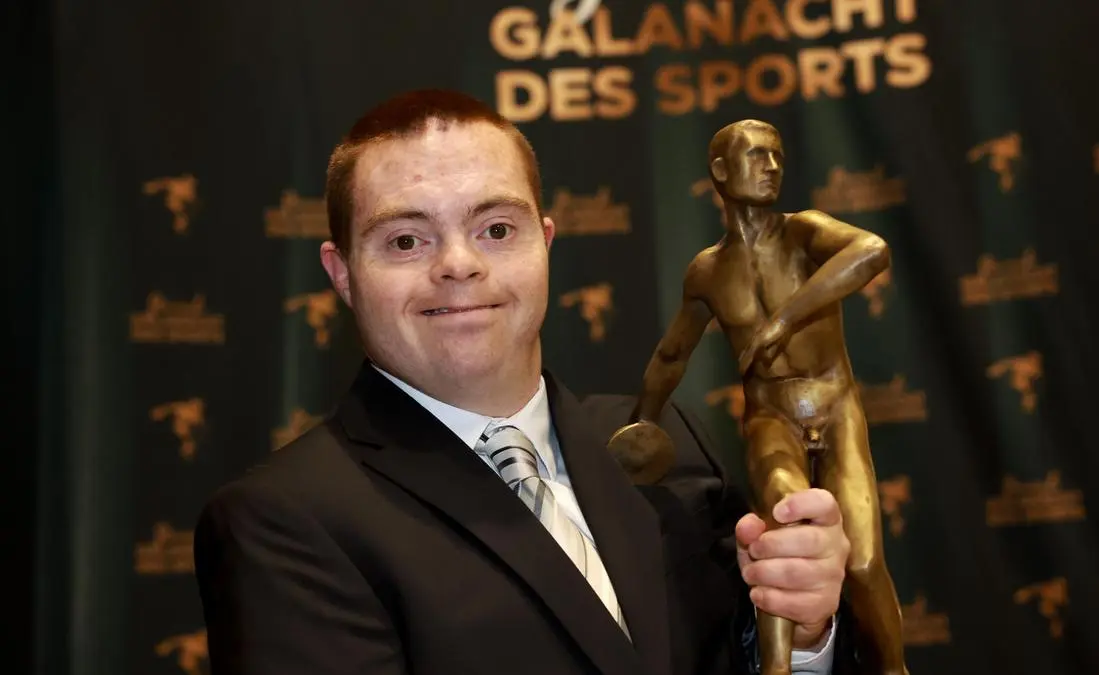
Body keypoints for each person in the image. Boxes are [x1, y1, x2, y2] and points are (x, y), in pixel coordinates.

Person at [193, 89, 858, 675]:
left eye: (496, 229)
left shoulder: (662, 443)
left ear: (544, 243)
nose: (459, 264)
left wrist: (804, 639)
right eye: (405, 241)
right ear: (342, 275)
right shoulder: (282, 522)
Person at [624, 120, 906, 675]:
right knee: (782, 532)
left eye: (777, 155)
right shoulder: (708, 271)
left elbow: (872, 250)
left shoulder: (803, 233)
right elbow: (672, 355)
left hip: (836, 407)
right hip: (770, 417)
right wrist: (642, 424)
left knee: (864, 564)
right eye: (756, 155)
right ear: (720, 171)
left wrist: (783, 320)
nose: (772, 166)